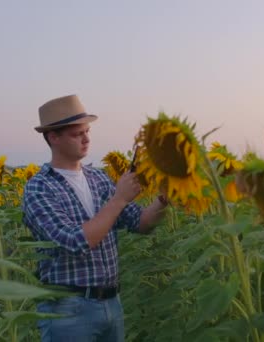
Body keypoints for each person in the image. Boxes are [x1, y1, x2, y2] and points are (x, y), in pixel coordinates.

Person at [22, 94, 168, 342]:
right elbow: (75, 241)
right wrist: (119, 199)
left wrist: (165, 198)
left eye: (87, 131)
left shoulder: (98, 178)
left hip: (111, 303)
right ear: (53, 137)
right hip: (68, 309)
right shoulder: (39, 188)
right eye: (77, 134)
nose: (87, 138)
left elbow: (140, 222)